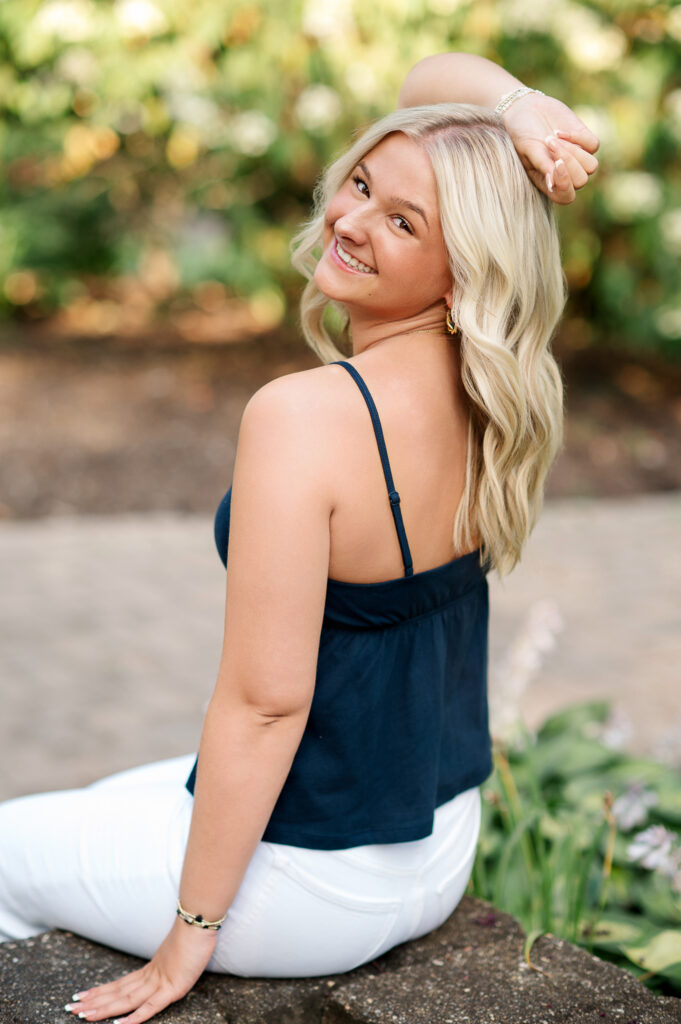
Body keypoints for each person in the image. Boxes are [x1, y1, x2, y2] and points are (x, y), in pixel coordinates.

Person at [0, 51, 599, 1024]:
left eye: (403, 223)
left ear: (459, 276)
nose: (352, 220)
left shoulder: (304, 417)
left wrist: (192, 931)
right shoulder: (492, 393)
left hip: (314, 887)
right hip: (438, 844)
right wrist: (521, 113)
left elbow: (266, 705)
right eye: (362, 184)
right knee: (119, 789)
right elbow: (425, 83)